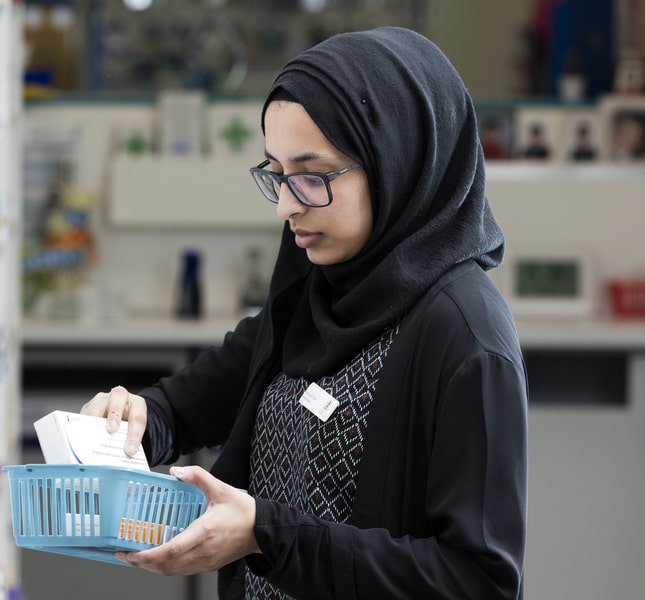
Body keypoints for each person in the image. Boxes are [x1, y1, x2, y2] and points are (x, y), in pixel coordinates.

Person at [77, 27, 527, 599]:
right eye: (277, 174)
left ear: (396, 163)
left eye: (313, 176)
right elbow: (192, 403)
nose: (289, 204)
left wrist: (266, 535)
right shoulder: (317, 288)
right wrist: (135, 417)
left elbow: (478, 583)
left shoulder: (466, 337)